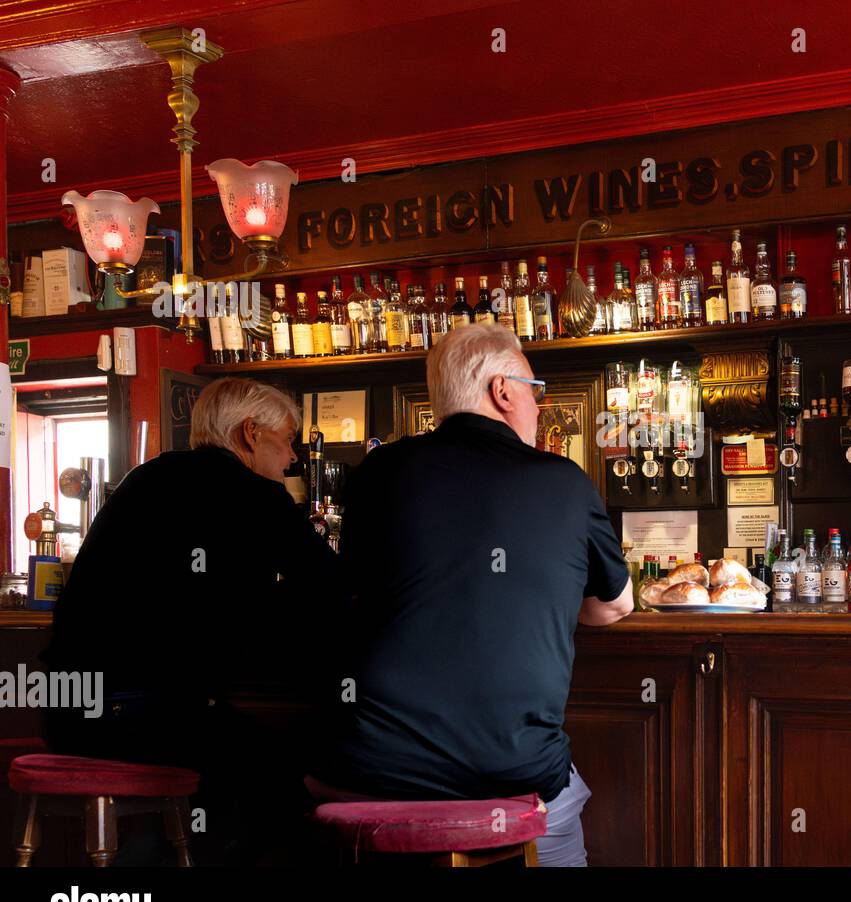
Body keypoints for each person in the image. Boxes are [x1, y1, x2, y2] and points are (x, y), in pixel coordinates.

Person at [316, 323, 633, 866]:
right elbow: (616, 604)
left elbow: (356, 590)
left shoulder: (377, 472)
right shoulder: (564, 481)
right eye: (535, 389)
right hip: (513, 769)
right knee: (562, 803)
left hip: (372, 767)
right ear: (503, 391)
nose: (539, 404)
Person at [43, 377, 343, 863]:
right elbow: (328, 589)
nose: (291, 456)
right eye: (286, 439)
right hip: (143, 717)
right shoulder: (256, 496)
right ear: (250, 433)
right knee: (294, 769)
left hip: (70, 714)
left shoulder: (143, 479)